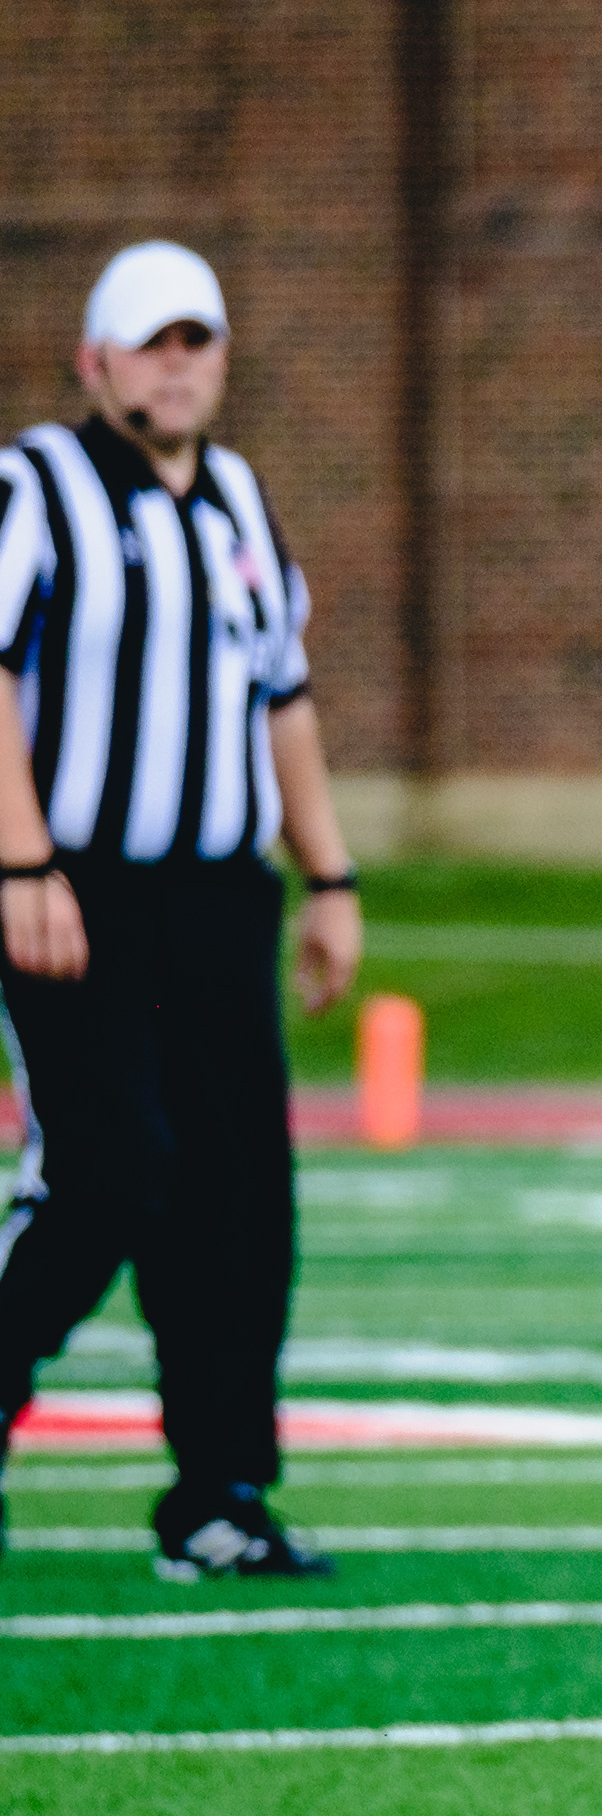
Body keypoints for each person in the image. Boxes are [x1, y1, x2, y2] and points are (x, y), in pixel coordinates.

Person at [0, 241, 367, 1581]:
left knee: (239, 1198)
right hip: (79, 893)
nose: (178, 362)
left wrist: (328, 877)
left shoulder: (238, 504)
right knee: (107, 1174)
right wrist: (19, 860)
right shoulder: (35, 486)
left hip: (219, 900)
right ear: (97, 361)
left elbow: (285, 695)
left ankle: (220, 1490)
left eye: (197, 339)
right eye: (152, 341)